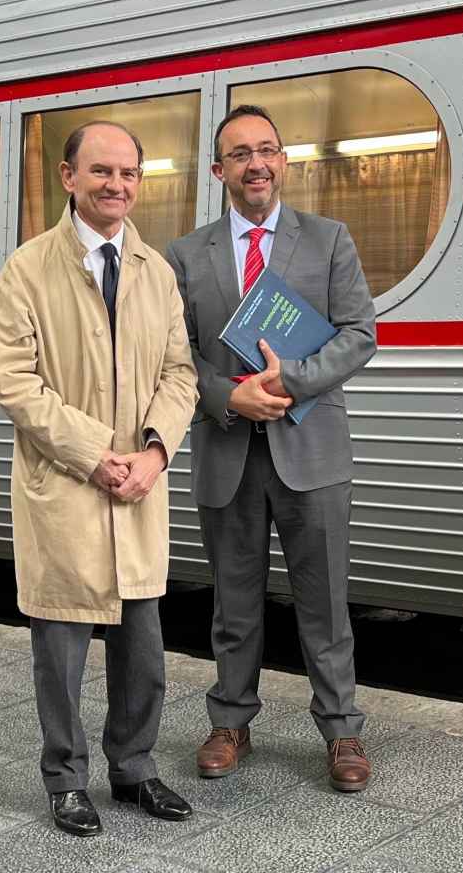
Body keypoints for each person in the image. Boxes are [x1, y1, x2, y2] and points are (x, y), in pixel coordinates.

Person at [0, 120, 199, 836]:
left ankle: (134, 769)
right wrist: (92, 452)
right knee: (62, 653)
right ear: (68, 177)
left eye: (129, 174)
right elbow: (14, 382)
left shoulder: (155, 271)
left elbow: (178, 373)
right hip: (69, 487)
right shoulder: (28, 269)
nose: (117, 185)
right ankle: (65, 780)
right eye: (101, 171)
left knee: (144, 650)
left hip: (137, 485)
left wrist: (154, 451)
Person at [163, 105, 378, 792]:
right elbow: (172, 356)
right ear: (218, 169)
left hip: (310, 449)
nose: (257, 163)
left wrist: (289, 379)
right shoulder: (185, 255)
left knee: (326, 601)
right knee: (233, 601)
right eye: (240, 153)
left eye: (268, 150)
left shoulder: (329, 239)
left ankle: (341, 729)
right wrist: (230, 399)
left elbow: (358, 334)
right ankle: (230, 720)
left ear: (282, 161)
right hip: (228, 451)